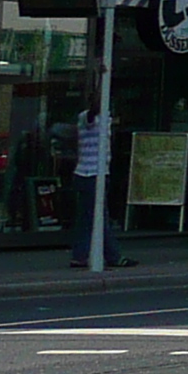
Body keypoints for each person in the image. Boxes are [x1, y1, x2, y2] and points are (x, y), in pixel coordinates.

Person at [65, 107, 132, 269]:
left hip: (96, 173)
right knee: (98, 216)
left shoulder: (106, 118)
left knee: (88, 217)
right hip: (91, 174)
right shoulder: (87, 117)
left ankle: (80, 255)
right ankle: (112, 256)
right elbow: (90, 114)